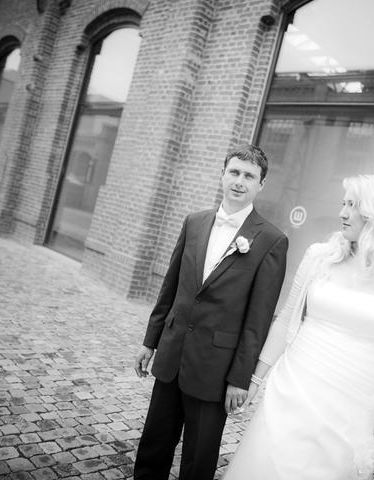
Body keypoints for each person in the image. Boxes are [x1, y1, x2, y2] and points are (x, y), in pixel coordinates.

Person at [223, 174, 374, 480]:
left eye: (352, 205)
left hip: (351, 399)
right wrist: (255, 379)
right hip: (295, 384)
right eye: (343, 203)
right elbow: (286, 319)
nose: (342, 213)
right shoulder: (319, 257)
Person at [133, 144, 289, 480]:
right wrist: (150, 341)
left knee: (198, 459)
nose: (239, 181)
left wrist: (239, 379)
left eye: (249, 176)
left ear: (261, 185)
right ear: (222, 175)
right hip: (172, 354)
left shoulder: (271, 240)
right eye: (234, 172)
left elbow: (258, 321)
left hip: (216, 369)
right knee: (153, 446)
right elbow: (170, 288)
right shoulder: (194, 222)